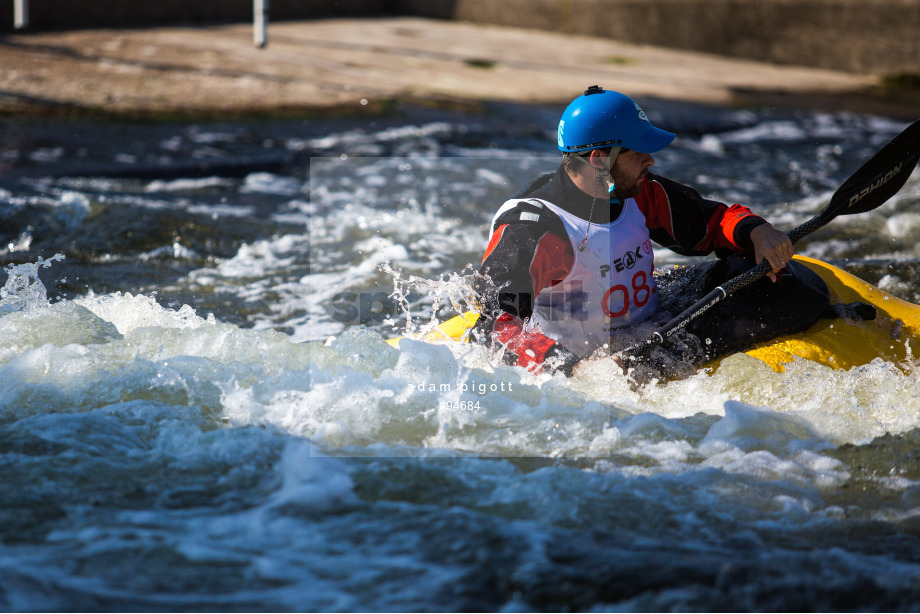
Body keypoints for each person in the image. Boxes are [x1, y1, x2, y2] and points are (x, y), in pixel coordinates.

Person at [473, 85, 830, 378]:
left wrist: (755, 232)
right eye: (638, 152)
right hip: (582, 360)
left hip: (648, 324)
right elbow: (495, 329)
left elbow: (707, 222)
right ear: (599, 160)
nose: (651, 160)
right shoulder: (532, 230)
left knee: (763, 279)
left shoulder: (636, 192)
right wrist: (576, 368)